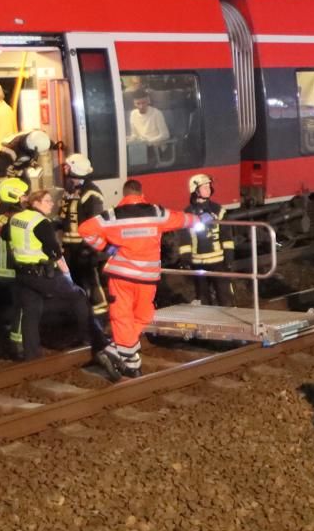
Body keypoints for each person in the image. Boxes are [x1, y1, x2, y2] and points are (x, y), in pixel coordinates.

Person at [78, 177, 197, 379]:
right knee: (143, 316)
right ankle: (130, 362)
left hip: (121, 275)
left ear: (124, 195)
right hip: (146, 278)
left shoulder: (112, 215)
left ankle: (116, 352)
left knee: (122, 316)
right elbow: (181, 219)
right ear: (142, 194)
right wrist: (200, 219)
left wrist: (106, 247)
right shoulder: (156, 213)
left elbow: (85, 230)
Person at [4, 188, 102, 362]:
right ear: (36, 203)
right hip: (40, 274)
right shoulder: (41, 222)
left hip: (21, 274)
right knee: (78, 296)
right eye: (47, 201)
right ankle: (89, 339)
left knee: (31, 313)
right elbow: (55, 251)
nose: (52, 204)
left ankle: (31, 357)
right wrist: (65, 272)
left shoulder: (15, 218)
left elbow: (5, 234)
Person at [58, 154, 108, 319]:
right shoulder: (70, 190)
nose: (64, 169)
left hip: (84, 248)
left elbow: (95, 223)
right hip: (69, 247)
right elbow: (64, 216)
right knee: (73, 282)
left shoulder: (91, 193)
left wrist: (89, 248)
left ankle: (100, 317)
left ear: (76, 168)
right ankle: (81, 316)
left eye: (67, 166)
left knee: (91, 282)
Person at [178, 172, 236, 305]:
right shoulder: (187, 213)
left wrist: (229, 258)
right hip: (198, 263)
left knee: (225, 297)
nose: (208, 190)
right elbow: (185, 240)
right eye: (204, 187)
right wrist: (186, 260)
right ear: (195, 191)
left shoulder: (218, 210)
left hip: (218, 262)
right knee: (203, 298)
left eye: (209, 187)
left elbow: (226, 237)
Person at [0, 175, 28, 356]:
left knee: (14, 304)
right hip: (13, 269)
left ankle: (12, 335)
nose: (26, 197)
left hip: (0, 269)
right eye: (24, 194)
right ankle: (18, 344)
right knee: (23, 305)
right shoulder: (16, 219)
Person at [127, 90, 170, 156]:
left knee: (135, 154)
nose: (141, 106)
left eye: (143, 103)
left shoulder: (156, 113)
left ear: (148, 101)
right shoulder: (133, 114)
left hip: (155, 147)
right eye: (138, 103)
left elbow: (165, 135)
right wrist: (128, 139)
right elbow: (135, 135)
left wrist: (149, 141)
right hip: (140, 146)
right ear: (134, 103)